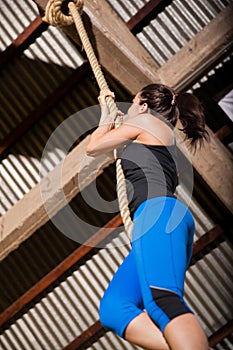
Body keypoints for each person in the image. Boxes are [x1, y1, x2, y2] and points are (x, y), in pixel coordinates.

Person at [86, 84, 211, 350]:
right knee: (115, 308)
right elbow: (110, 150)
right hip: (161, 218)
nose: (129, 108)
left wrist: (107, 119)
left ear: (144, 107)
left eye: (132, 102)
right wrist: (112, 120)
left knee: (162, 300)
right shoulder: (156, 136)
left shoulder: (146, 121)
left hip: (158, 215)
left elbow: (93, 147)